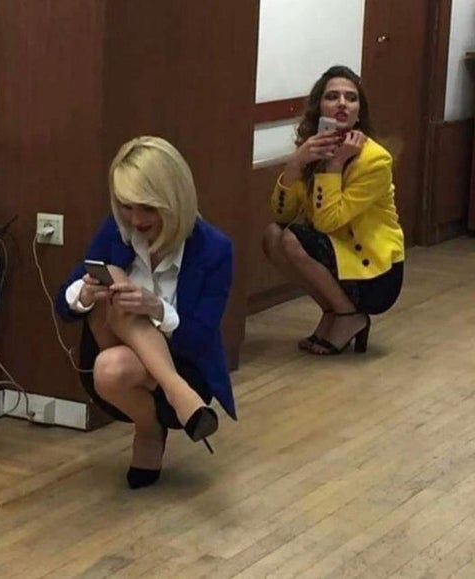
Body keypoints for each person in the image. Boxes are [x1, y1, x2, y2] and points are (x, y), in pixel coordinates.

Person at [56, 136, 235, 489]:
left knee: (112, 365)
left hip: (184, 362)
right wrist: (85, 294)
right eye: (126, 206)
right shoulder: (115, 231)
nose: (136, 219)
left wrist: (157, 308)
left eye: (148, 208)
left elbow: (200, 338)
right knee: (113, 281)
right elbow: (64, 305)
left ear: (174, 200)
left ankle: (159, 415)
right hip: (114, 354)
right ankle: (175, 398)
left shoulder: (214, 249)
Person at [262, 65, 405, 355]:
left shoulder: (375, 160)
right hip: (337, 254)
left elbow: (329, 221)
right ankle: (333, 311)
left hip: (373, 271)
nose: (342, 103)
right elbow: (281, 215)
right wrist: (295, 164)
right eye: (332, 96)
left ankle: (349, 315)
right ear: (319, 107)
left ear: (358, 112)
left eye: (351, 98)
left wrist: (336, 164)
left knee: (292, 238)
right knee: (273, 236)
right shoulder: (312, 147)